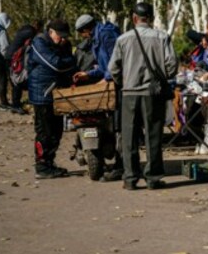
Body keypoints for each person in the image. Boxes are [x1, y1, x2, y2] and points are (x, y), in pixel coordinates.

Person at [109, 2, 177, 191]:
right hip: (152, 94)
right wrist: (161, 76)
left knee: (129, 136)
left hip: (130, 93)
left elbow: (113, 67)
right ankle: (153, 178)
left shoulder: (123, 39)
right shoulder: (162, 37)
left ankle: (130, 178)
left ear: (134, 18)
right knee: (153, 136)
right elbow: (172, 65)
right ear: (152, 18)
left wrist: (124, 81)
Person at [73, 14, 123, 182]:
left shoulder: (106, 34)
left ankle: (121, 165)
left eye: (82, 32)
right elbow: (103, 66)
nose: (82, 36)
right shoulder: (96, 38)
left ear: (87, 29)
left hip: (119, 86)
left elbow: (115, 60)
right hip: (110, 85)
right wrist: (88, 74)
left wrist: (107, 78)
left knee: (120, 128)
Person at [27, 19, 76, 179]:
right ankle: (41, 166)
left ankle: (49, 162)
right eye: (59, 36)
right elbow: (56, 64)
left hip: (57, 94)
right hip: (43, 94)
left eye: (65, 37)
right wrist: (74, 61)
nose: (62, 39)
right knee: (44, 132)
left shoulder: (62, 45)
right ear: (51, 32)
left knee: (57, 131)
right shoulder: (39, 43)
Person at [7, 21, 40, 114]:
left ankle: (15, 104)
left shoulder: (24, 30)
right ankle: (16, 105)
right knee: (19, 82)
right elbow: (29, 46)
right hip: (17, 57)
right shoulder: (31, 32)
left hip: (11, 56)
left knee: (15, 82)